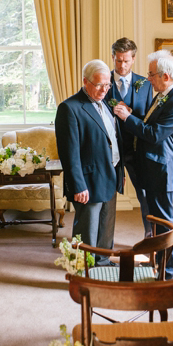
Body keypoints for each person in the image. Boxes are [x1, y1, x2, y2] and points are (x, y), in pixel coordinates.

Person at [113, 50, 173, 280]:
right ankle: (160, 263)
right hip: (153, 167)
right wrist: (132, 113)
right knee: (157, 220)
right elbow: (149, 120)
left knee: (167, 222)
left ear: (165, 76)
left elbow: (155, 134)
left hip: (162, 170)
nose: (148, 79)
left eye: (151, 74)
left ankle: (171, 271)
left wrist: (127, 118)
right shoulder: (165, 93)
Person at [56, 60, 124, 264]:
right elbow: (69, 153)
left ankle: (103, 262)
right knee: (87, 229)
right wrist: (78, 185)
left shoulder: (104, 102)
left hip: (110, 175)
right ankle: (84, 268)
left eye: (107, 85)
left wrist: (120, 173)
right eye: (99, 85)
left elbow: (113, 141)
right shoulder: (70, 108)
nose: (104, 90)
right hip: (88, 180)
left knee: (106, 225)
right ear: (85, 82)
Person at [104, 37, 155, 238]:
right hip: (110, 151)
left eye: (126, 60)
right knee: (107, 196)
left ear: (133, 59)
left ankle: (150, 236)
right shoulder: (103, 81)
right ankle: (103, 242)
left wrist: (130, 115)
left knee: (144, 194)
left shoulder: (145, 84)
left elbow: (149, 118)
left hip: (136, 149)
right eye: (118, 60)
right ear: (113, 58)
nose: (122, 65)